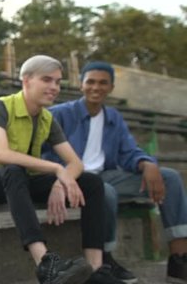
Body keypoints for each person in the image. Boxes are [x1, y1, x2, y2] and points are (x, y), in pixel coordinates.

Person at [0, 55, 124, 284]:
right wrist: (55, 169)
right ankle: (46, 265)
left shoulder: (47, 119)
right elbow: (1, 154)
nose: (54, 87)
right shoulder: (0, 107)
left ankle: (96, 268)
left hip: (21, 181)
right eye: (47, 80)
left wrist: (59, 182)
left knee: (91, 183)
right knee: (13, 170)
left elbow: (75, 164)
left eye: (58, 82)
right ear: (27, 80)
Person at [43, 61, 187, 284]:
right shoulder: (59, 114)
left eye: (103, 83)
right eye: (90, 82)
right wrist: (58, 176)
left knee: (170, 177)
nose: (96, 87)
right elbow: (40, 152)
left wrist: (147, 163)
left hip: (106, 175)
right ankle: (106, 259)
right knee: (104, 191)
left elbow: (128, 153)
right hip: (72, 178)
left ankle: (179, 259)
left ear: (111, 88)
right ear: (81, 85)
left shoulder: (114, 118)